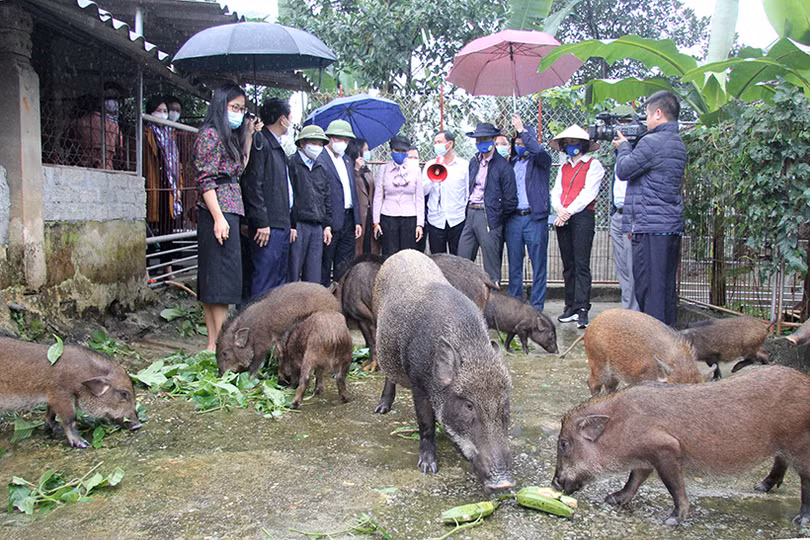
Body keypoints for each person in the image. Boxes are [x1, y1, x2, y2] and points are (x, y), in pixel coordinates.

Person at [193, 83, 258, 350]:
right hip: (217, 212)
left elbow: (239, 169)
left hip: (230, 209)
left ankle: (212, 343)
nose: (239, 113)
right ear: (221, 105)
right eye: (235, 107)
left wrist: (250, 135)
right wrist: (218, 217)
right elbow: (205, 180)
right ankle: (217, 343)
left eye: (242, 109)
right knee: (218, 280)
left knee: (218, 279)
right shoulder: (209, 135)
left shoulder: (228, 137)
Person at [614, 90, 686, 326]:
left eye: (646, 115)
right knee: (664, 292)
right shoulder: (677, 142)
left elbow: (624, 170)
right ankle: (669, 344)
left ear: (658, 113)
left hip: (651, 227)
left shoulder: (653, 142)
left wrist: (623, 147)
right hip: (668, 226)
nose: (645, 121)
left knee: (649, 291)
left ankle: (656, 351)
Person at [550, 125, 605, 329]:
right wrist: (559, 210)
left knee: (581, 263)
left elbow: (588, 193)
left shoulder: (593, 165)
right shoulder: (563, 167)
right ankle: (570, 305)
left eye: (575, 142)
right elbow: (556, 191)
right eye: (568, 143)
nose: (571, 146)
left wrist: (567, 212)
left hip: (582, 216)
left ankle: (582, 308)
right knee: (568, 264)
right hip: (563, 217)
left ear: (583, 144)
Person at [240, 98, 294, 299]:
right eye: (290, 117)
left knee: (278, 281)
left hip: (281, 222)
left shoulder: (277, 147)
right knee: (264, 280)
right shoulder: (260, 142)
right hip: (267, 225)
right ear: (282, 119)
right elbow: (253, 185)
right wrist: (261, 222)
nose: (291, 122)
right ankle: (255, 327)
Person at [504, 114, 553, 311]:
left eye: (522, 142)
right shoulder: (511, 163)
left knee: (538, 265)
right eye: (516, 142)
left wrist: (522, 130)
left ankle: (537, 307)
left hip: (535, 219)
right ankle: (516, 306)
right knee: (515, 265)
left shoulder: (541, 162)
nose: (519, 145)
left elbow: (539, 151)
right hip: (514, 219)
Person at [458, 122, 517, 284]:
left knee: (491, 264)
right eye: (478, 140)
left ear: (492, 140)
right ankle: (465, 297)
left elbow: (511, 201)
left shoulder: (503, 167)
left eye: (485, 139)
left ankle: (493, 299)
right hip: (471, 212)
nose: (481, 143)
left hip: (488, 215)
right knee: (463, 257)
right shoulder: (474, 161)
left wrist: (495, 215)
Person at [318, 119, 362, 286]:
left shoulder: (348, 161)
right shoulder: (320, 158)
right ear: (330, 138)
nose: (342, 143)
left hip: (349, 219)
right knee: (324, 264)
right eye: (339, 139)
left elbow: (353, 192)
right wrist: (325, 224)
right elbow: (320, 194)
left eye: (346, 140)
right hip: (330, 221)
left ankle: (341, 301)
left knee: (344, 266)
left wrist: (357, 220)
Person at [144, 96, 183, 277]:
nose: (163, 114)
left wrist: (178, 188)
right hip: (152, 186)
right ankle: (146, 269)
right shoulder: (146, 133)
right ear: (150, 112)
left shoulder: (171, 135)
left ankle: (167, 269)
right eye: (159, 111)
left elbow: (177, 166)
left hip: (168, 189)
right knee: (148, 231)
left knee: (167, 229)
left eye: (165, 111)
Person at [288, 125, 332, 283]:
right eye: (314, 143)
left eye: (320, 144)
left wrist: (327, 225)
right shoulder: (292, 164)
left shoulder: (321, 167)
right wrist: (291, 224)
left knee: (313, 276)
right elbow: (289, 196)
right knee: (292, 272)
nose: (317, 147)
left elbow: (326, 197)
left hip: (317, 226)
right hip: (298, 225)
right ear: (303, 142)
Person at [372, 135, 424, 256]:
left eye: (403, 151)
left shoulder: (415, 169)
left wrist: (420, 224)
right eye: (397, 151)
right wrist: (376, 222)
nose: (400, 154)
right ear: (391, 151)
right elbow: (378, 196)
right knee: (389, 254)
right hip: (388, 216)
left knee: (408, 255)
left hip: (410, 217)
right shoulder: (383, 169)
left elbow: (420, 198)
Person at [610, 107, 640, 311]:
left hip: (632, 216)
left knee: (633, 269)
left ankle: (634, 316)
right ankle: (627, 311)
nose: (622, 129)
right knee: (622, 271)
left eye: (627, 123)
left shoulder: (640, 150)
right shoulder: (621, 152)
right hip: (617, 214)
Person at [422, 130, 469, 255]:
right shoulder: (430, 165)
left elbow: (467, 193)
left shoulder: (463, 166)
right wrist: (434, 173)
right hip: (435, 220)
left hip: (457, 220)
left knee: (458, 259)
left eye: (439, 142)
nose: (436, 145)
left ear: (450, 144)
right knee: (438, 260)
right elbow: (423, 191)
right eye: (435, 142)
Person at [75, 82, 124, 170]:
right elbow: (120, 152)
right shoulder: (114, 126)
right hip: (107, 167)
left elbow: (65, 143)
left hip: (84, 168)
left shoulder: (79, 123)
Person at [347, 138, 380, 255]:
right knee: (358, 249)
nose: (368, 153)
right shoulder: (349, 170)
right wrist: (356, 169)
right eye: (365, 150)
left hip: (370, 215)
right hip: (358, 216)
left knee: (371, 248)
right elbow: (351, 187)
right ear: (357, 152)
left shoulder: (367, 170)